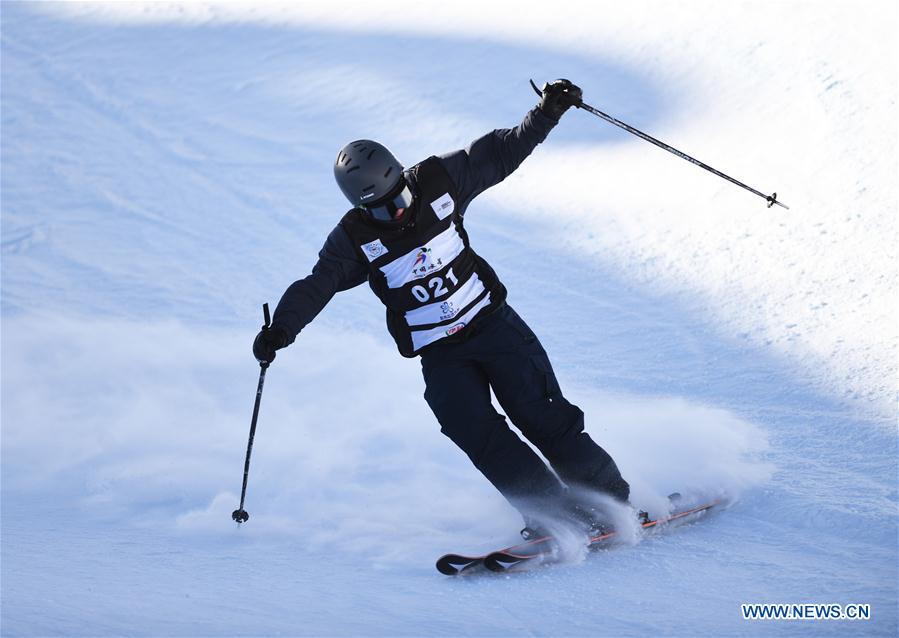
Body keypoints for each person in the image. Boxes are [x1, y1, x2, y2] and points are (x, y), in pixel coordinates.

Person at [254, 79, 630, 537]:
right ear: (358, 206)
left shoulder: (438, 181)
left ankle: (614, 504)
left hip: (495, 327)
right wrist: (281, 330)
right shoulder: (355, 238)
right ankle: (554, 515)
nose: (395, 213)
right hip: (441, 352)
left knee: (542, 414)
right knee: (470, 427)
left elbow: (499, 153)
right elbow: (319, 284)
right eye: (380, 210)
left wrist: (546, 112)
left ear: (401, 178)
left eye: (399, 200)